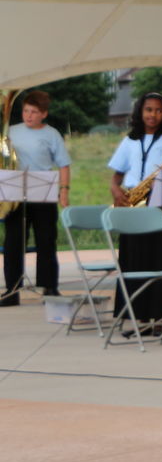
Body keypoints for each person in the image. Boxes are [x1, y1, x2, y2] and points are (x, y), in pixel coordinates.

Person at [106, 93, 162, 323]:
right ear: (140, 112)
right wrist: (116, 190)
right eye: (148, 110)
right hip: (134, 205)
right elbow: (116, 177)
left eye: (158, 110)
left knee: (161, 262)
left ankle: (160, 317)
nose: (153, 115)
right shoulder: (130, 140)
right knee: (133, 262)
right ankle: (135, 317)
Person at [2, 91, 70, 303]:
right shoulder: (10, 131)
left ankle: (49, 286)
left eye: (34, 112)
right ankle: (12, 290)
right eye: (25, 111)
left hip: (43, 192)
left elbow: (64, 164)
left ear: (44, 114)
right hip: (14, 194)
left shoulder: (52, 134)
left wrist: (64, 190)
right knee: (13, 242)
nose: (28, 116)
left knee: (46, 240)